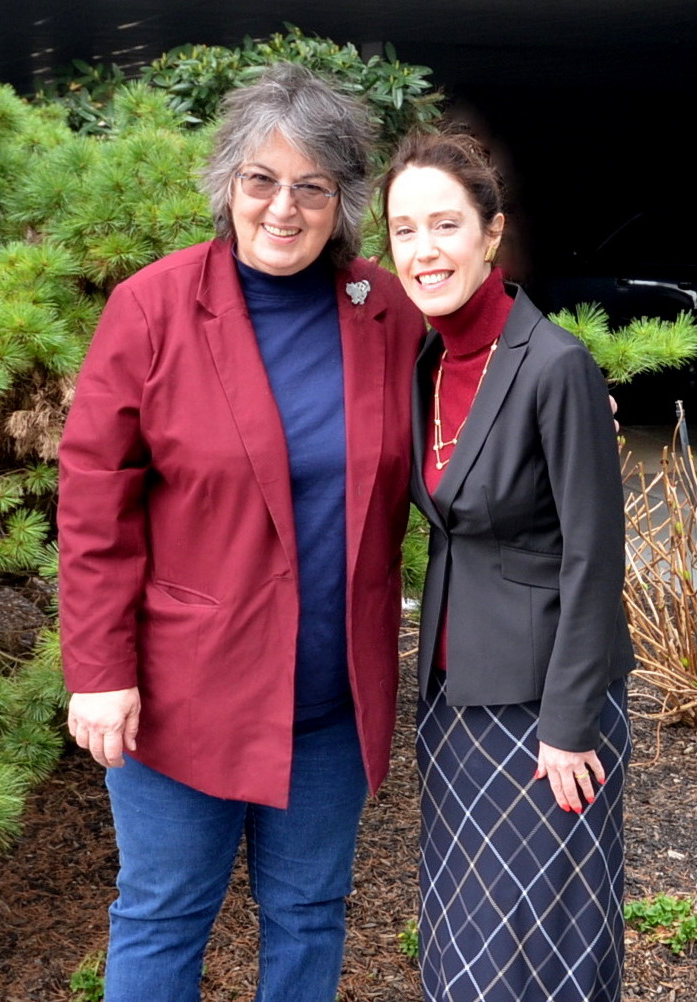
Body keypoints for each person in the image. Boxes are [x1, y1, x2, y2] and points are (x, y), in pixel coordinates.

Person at [58, 64, 425, 1002]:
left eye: (312, 186)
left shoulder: (381, 309)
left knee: (309, 914)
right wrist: (98, 672)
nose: (283, 209)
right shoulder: (153, 306)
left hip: (328, 696)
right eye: (261, 179)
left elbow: (467, 390)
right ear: (227, 182)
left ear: (341, 199)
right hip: (183, 691)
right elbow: (95, 502)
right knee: (163, 914)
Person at [381, 130, 635, 1002]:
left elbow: (596, 559)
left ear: (490, 234)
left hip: (544, 707)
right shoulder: (421, 361)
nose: (423, 250)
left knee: (542, 940)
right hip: (454, 699)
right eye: (403, 229)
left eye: (444, 225)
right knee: (465, 931)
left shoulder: (555, 364)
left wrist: (569, 725)